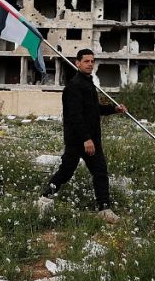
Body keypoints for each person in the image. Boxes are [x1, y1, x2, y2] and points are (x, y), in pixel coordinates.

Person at [40, 49, 127, 223]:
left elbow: (94, 110)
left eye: (92, 61)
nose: (90, 64)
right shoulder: (74, 87)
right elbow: (75, 116)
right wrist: (86, 139)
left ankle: (104, 208)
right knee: (66, 171)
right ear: (77, 63)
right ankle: (44, 199)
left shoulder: (89, 83)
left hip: (92, 139)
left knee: (100, 172)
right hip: (78, 140)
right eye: (86, 61)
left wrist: (113, 109)